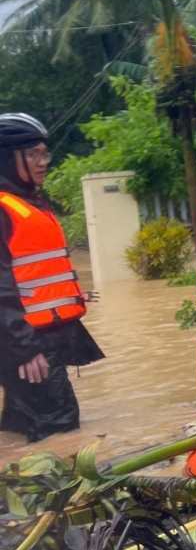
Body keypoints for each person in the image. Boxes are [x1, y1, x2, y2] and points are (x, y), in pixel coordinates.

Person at [0, 113, 103, 442]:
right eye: (33, 155)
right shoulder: (4, 209)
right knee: (61, 427)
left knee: (21, 429)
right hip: (26, 342)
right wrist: (25, 349)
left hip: (41, 336)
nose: (43, 162)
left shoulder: (28, 202)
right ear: (7, 157)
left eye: (45, 154)